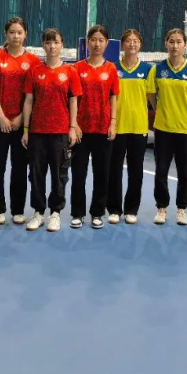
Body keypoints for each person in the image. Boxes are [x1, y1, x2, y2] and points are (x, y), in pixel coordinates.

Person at [20, 28, 82, 232]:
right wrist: (26, 129)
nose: (52, 46)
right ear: (43, 45)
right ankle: (38, 212)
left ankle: (55, 212)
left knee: (59, 174)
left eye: (56, 42)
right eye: (48, 42)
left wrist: (72, 127)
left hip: (60, 132)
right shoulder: (34, 71)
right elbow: (28, 101)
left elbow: (73, 101)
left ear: (62, 44)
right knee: (36, 174)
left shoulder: (70, 72)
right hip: (37, 132)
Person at [0, 17, 42, 225]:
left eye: (19, 32)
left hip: (22, 124)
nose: (15, 36)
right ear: (5, 34)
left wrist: (20, 119)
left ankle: (18, 210)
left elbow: (34, 94)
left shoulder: (34, 61)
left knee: (19, 168)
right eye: (12, 32)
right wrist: (1, 116)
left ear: (25, 34)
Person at [149, 28, 187, 226]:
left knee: (184, 171)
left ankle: (181, 209)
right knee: (161, 170)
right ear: (166, 44)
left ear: (185, 45)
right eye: (171, 41)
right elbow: (151, 94)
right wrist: (160, 109)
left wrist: (183, 111)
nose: (175, 45)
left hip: (185, 128)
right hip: (163, 127)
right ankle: (161, 207)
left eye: (179, 42)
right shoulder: (157, 69)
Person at [70, 25, 120, 229]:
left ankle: (97, 213)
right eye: (93, 40)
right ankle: (77, 213)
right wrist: (74, 124)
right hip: (81, 130)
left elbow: (113, 97)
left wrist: (113, 122)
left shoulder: (111, 69)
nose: (97, 44)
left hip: (102, 129)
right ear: (87, 42)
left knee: (102, 174)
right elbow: (72, 99)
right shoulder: (77, 68)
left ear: (106, 43)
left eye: (101, 40)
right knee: (78, 174)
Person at [107, 29, 155, 225]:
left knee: (136, 170)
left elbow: (151, 98)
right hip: (117, 126)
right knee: (114, 169)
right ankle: (114, 209)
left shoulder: (148, 70)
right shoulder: (112, 68)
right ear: (122, 44)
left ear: (140, 44)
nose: (132, 44)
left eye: (135, 41)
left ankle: (131, 209)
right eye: (128, 41)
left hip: (138, 126)